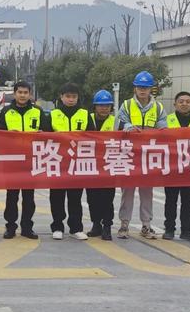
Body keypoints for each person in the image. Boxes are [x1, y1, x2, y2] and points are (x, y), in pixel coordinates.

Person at [116, 70, 167, 239]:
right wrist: (128, 126)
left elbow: (163, 128)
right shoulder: (127, 105)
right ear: (135, 88)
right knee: (127, 191)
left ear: (151, 88)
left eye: (146, 87)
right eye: (139, 87)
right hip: (129, 154)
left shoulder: (158, 107)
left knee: (147, 192)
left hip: (148, 156)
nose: (143, 90)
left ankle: (146, 225)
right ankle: (124, 225)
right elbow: (120, 122)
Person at [0, 80, 45, 240]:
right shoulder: (6, 112)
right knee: (12, 196)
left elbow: (47, 133)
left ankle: (27, 227)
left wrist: (41, 133)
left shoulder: (38, 111)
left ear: (30, 94)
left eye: (25, 92)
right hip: (12, 160)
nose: (23, 95)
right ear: (15, 94)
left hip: (31, 160)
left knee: (29, 197)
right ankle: (10, 227)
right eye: (20, 92)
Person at [47, 82, 93, 240]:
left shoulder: (85, 114)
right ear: (61, 97)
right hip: (57, 162)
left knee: (75, 197)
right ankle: (57, 226)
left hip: (77, 162)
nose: (71, 99)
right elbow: (44, 138)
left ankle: (76, 228)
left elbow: (94, 138)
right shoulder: (52, 115)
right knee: (57, 196)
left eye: (74, 96)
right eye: (68, 96)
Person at [162, 91, 190, 242]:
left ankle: (187, 230)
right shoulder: (166, 120)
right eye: (181, 101)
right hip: (172, 167)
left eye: (187, 101)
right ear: (175, 104)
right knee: (170, 199)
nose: (184, 104)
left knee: (188, 200)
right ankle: (169, 229)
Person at [86, 90, 116, 241]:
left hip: (108, 165)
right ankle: (96, 224)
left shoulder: (116, 122)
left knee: (107, 198)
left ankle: (107, 226)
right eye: (100, 105)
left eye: (107, 105)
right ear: (95, 106)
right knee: (92, 197)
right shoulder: (87, 118)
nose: (104, 108)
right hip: (90, 164)